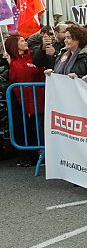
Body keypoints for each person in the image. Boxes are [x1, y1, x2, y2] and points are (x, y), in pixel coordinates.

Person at [5, 35, 44, 167]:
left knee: (37, 128)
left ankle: (39, 154)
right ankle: (26, 157)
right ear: (14, 46)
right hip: (20, 102)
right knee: (23, 128)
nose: (25, 42)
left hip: (37, 100)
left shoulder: (33, 58)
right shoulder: (11, 63)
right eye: (21, 41)